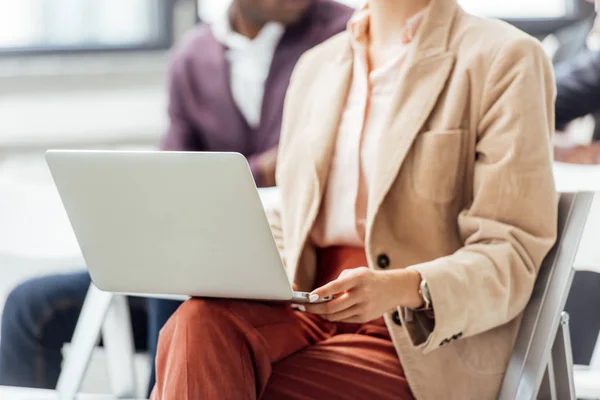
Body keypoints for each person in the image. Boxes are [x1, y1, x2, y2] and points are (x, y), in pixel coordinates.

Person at [150, 0, 558, 398]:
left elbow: (512, 251)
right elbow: (291, 216)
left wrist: (402, 286)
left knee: (214, 375)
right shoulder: (316, 66)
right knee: (196, 323)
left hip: (419, 336)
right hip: (311, 305)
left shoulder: (505, 58)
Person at [0, 0, 352, 394]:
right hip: (199, 256)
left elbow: (310, 167)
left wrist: (235, 175)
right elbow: (170, 174)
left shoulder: (344, 35)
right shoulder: (192, 56)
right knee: (28, 306)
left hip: (288, 266)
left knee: (179, 280)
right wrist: (251, 170)